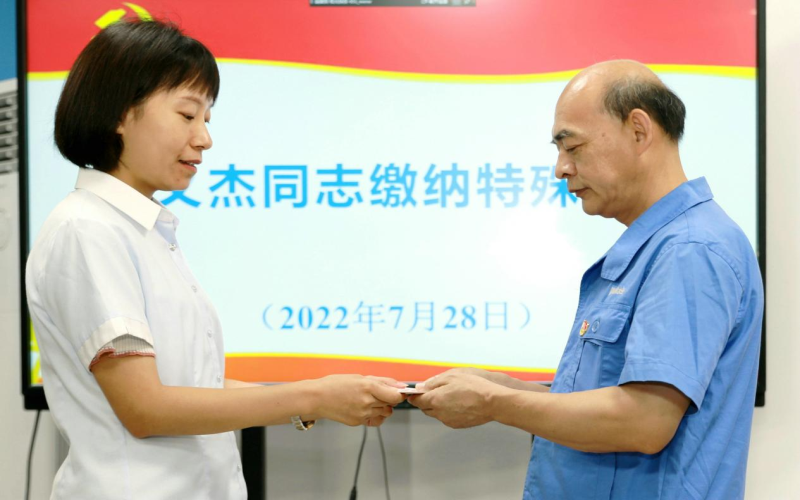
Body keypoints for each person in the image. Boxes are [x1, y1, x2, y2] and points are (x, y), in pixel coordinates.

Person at [25, 19, 405, 499]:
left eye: (207, 119)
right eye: (188, 115)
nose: (204, 138)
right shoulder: (88, 229)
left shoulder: (139, 229)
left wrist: (322, 398)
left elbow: (191, 385)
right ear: (119, 113)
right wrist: (314, 396)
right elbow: (145, 408)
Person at [409, 60, 764, 499]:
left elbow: (644, 421)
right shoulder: (661, 246)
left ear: (639, 131)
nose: (561, 169)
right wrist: (502, 387)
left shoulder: (688, 249)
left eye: (573, 147)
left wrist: (493, 402)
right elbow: (613, 398)